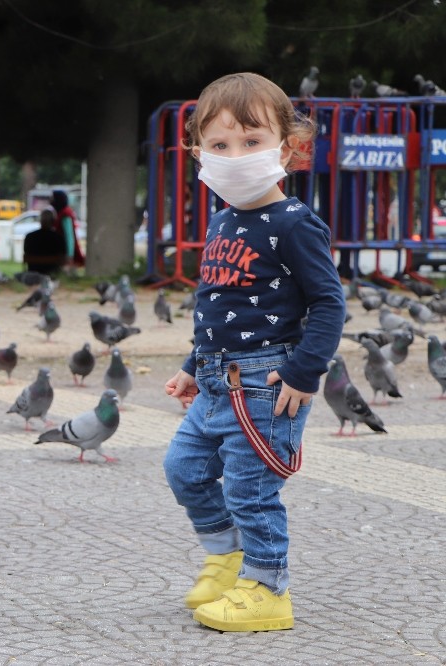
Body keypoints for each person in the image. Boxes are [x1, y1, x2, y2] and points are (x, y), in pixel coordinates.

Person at [162, 72, 345, 632]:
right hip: (218, 380)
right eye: (219, 146)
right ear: (198, 153)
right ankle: (228, 557)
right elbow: (219, 303)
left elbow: (329, 304)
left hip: (269, 385)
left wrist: (303, 373)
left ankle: (267, 589)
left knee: (250, 488)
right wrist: (196, 365)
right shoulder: (221, 220)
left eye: (251, 141)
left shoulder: (294, 224)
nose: (235, 156)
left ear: (288, 147)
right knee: (183, 469)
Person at [22, 206, 65, 276]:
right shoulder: (58, 238)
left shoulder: (29, 237)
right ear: (53, 221)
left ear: (40, 221)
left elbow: (26, 256)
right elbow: (62, 259)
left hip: (33, 274)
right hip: (53, 275)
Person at [51, 189, 84, 271]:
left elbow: (69, 236)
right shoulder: (61, 212)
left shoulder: (65, 214)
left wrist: (70, 255)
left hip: (66, 253)